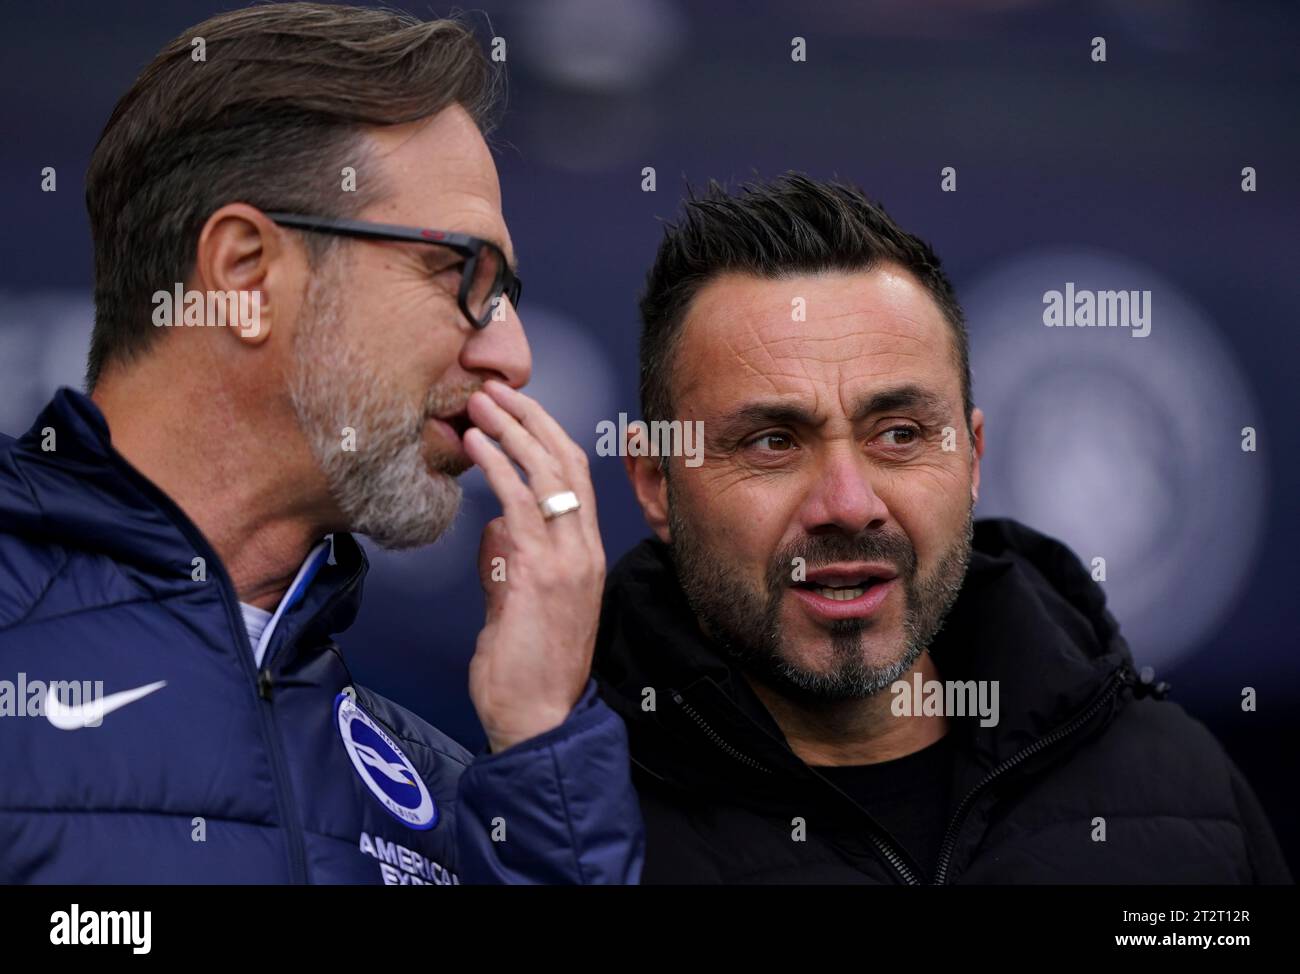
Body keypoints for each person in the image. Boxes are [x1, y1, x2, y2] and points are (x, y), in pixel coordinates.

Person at [0, 3, 642, 884]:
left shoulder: (450, 798)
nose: (514, 356)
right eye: (463, 276)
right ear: (246, 275)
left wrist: (542, 743)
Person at [593, 172, 1289, 884]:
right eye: (773, 442)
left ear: (973, 456)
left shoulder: (1185, 793)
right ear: (655, 482)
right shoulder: (570, 829)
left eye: (898, 433)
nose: (848, 502)